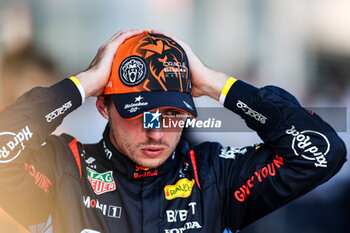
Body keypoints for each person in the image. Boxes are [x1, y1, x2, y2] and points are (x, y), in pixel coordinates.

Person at [0, 29, 346, 233]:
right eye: (140, 115)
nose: (156, 133)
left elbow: (323, 152)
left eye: (171, 115)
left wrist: (216, 84)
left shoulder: (213, 175)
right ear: (104, 106)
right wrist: (82, 85)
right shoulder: (66, 168)